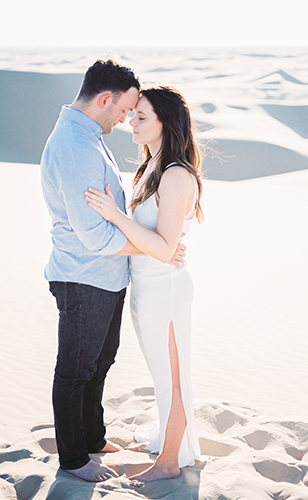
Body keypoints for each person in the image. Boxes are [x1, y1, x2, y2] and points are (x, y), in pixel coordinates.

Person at [84, 85, 203, 484]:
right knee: (161, 375)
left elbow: (166, 247)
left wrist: (117, 216)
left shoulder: (175, 175)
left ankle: (169, 461)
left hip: (165, 292)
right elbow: (158, 244)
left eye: (141, 117)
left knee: (173, 377)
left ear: (165, 124)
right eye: (132, 115)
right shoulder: (151, 167)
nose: (130, 123)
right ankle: (170, 443)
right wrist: (155, 244)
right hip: (146, 288)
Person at [40, 59, 142, 483]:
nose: (124, 119)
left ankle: (93, 437)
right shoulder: (76, 147)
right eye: (123, 110)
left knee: (100, 362)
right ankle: (73, 458)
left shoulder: (85, 136)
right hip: (84, 278)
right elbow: (95, 236)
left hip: (103, 277)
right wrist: (153, 248)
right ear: (105, 99)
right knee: (76, 370)